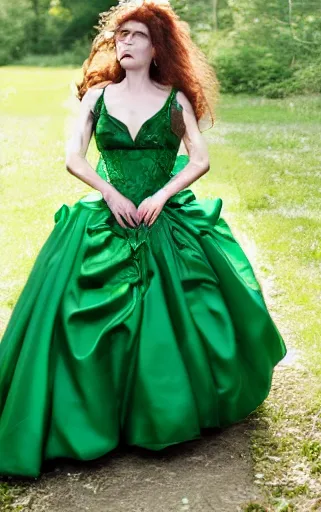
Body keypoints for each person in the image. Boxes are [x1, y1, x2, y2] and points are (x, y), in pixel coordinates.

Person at [0, 0, 287, 479]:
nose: (124, 42)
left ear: (157, 47)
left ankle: (162, 412)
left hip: (162, 216)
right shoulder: (97, 97)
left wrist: (162, 194)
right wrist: (109, 193)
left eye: (136, 35)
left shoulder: (174, 99)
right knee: (77, 314)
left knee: (174, 315)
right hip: (109, 214)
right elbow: (75, 158)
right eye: (121, 35)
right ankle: (93, 418)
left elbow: (199, 159)